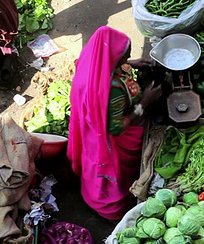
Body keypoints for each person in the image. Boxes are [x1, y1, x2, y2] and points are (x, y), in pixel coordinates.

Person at [67, 26, 162, 220]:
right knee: (113, 173)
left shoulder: (91, 60)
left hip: (90, 128)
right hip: (112, 138)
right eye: (124, 58)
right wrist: (144, 104)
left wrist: (131, 64)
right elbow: (116, 126)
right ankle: (114, 209)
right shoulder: (112, 92)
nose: (127, 60)